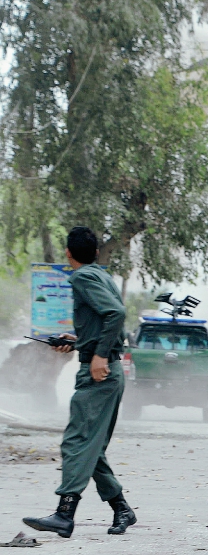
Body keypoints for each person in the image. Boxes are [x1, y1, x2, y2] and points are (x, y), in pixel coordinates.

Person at [22, 226, 135, 538]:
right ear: (96, 253)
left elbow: (115, 313)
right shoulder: (102, 276)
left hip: (99, 373)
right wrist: (77, 341)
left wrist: (98, 356)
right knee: (91, 446)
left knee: (76, 442)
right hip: (107, 370)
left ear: (68, 253)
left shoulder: (82, 277)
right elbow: (106, 320)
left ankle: (64, 514)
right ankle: (121, 508)